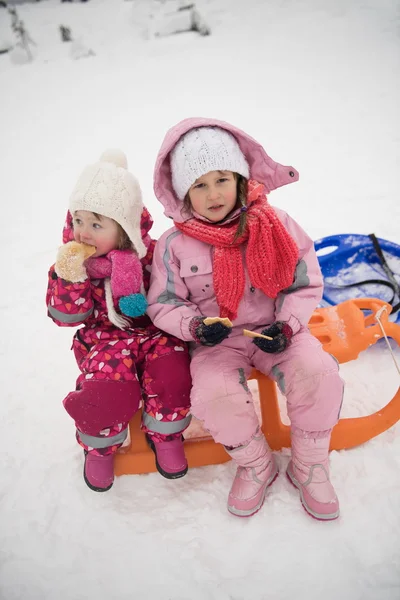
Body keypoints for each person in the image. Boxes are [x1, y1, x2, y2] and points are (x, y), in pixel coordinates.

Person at [147, 118, 344, 520]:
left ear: (240, 178)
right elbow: (163, 301)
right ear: (184, 193)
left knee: (319, 374)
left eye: (221, 179)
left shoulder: (277, 224)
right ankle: (255, 464)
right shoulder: (173, 245)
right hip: (217, 343)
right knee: (213, 396)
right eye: (199, 185)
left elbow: (305, 283)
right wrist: (195, 328)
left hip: (276, 329)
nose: (213, 193)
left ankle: (309, 463)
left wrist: (288, 325)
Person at [46, 149, 192, 492]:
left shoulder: (151, 255)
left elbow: (172, 292)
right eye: (78, 221)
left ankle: (166, 433)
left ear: (124, 228)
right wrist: (70, 278)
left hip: (155, 332)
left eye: (96, 224)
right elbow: (68, 318)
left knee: (172, 374)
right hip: (103, 340)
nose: (83, 232)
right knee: (105, 391)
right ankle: (99, 446)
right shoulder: (71, 264)